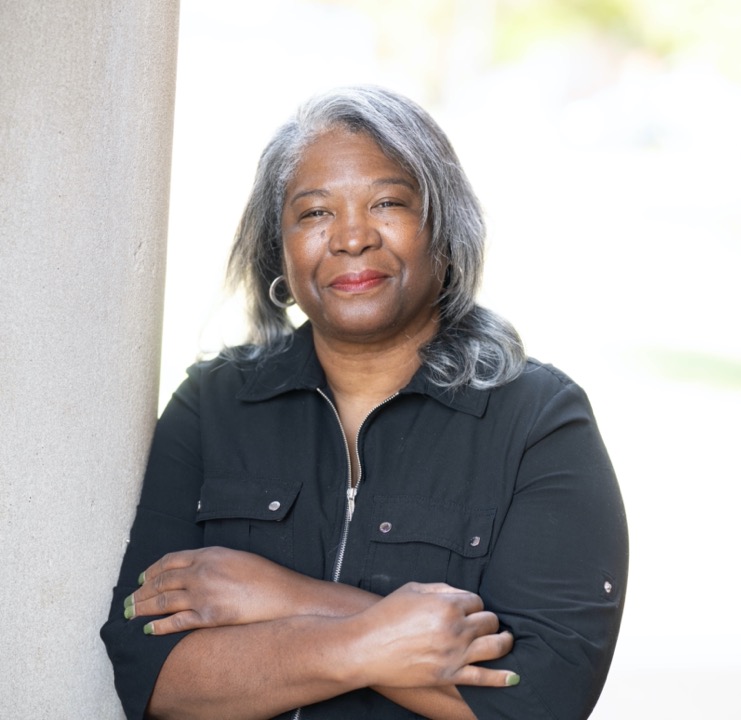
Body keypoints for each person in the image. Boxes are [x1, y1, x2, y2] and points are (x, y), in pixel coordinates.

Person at [99, 85, 629, 720]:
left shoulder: (538, 421)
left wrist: (277, 594)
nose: (351, 238)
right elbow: (151, 675)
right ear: (281, 247)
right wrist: (370, 641)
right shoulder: (212, 407)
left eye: (387, 203)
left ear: (443, 228)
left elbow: (539, 698)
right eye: (315, 212)